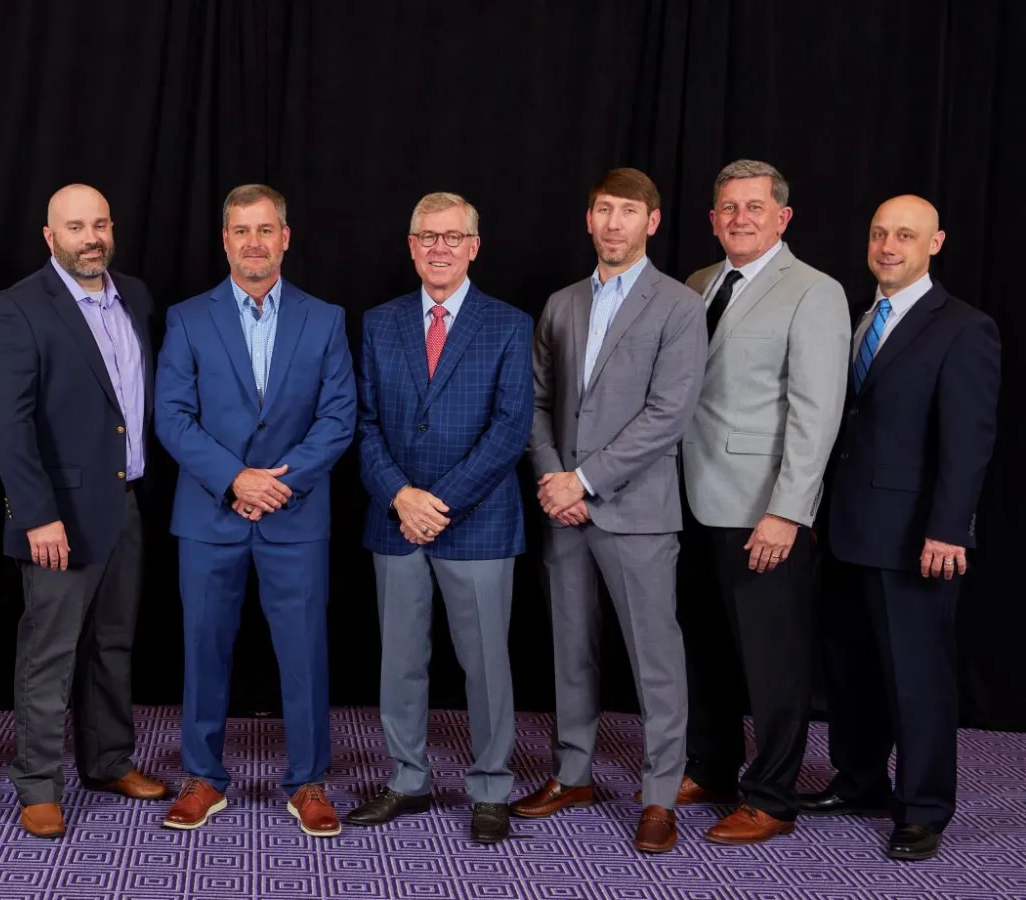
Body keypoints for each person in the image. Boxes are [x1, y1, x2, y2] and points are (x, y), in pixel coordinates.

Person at [153, 184, 356, 836]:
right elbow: (173, 419)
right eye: (241, 230)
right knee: (204, 649)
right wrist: (236, 479)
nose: (254, 243)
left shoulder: (324, 318)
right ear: (225, 239)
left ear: (286, 237)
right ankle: (203, 777)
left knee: (303, 653)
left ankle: (309, 781)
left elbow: (337, 419)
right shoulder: (188, 318)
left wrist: (278, 484)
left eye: (265, 230)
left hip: (295, 516)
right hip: (210, 517)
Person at [513, 169, 705, 852]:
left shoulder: (679, 306)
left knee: (656, 659)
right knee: (571, 650)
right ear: (588, 220)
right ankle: (573, 773)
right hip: (561, 509)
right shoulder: (562, 304)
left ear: (652, 222)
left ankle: (659, 795)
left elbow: (668, 415)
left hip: (637, 511)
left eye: (629, 211)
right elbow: (535, 403)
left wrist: (584, 479)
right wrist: (552, 478)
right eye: (604, 210)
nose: (615, 223)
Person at [804, 195, 1000, 861]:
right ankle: (859, 780)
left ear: (935, 243)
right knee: (851, 669)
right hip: (847, 527)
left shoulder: (964, 328)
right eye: (881, 233)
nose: (890, 245)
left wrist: (949, 530)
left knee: (916, 676)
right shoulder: (860, 319)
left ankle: (923, 807)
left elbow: (968, 443)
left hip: (917, 536)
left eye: (906, 235)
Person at [344, 191, 533, 845]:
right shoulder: (379, 322)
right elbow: (362, 423)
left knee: (485, 664)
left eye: (453, 237)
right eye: (428, 236)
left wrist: (438, 503)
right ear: (411, 245)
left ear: (475, 246)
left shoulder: (509, 324)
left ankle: (489, 787)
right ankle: (407, 779)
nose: (440, 248)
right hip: (395, 521)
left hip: (476, 522)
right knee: (400, 661)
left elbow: (510, 432)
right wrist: (401, 496)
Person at [0, 184, 168, 839]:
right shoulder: (17, 309)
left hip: (126, 503)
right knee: (49, 653)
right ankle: (36, 785)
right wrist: (35, 515)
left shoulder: (136, 296)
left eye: (99, 224)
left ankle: (109, 761)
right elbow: (9, 424)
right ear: (49, 235)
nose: (90, 237)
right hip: (56, 515)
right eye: (75, 226)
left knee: (112, 645)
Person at [679, 159, 851, 844]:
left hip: (761, 511)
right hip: (690, 502)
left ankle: (773, 795)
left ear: (782, 217)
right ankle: (711, 766)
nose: (740, 218)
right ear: (713, 219)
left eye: (754, 207)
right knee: (707, 649)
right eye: (728, 207)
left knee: (773, 660)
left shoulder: (814, 291)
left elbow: (817, 412)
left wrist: (790, 510)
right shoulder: (696, 284)